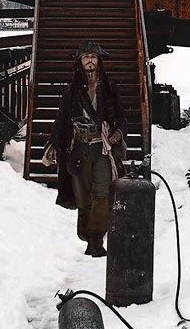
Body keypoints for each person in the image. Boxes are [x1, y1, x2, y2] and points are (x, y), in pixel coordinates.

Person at [48, 40, 127, 257]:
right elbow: (62, 119)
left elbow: (121, 117)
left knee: (102, 193)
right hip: (78, 149)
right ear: (80, 62)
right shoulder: (72, 91)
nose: (89, 60)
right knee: (83, 197)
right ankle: (86, 236)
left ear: (99, 61)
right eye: (85, 57)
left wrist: (118, 133)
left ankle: (95, 240)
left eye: (93, 57)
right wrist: (55, 143)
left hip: (101, 147)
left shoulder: (109, 89)